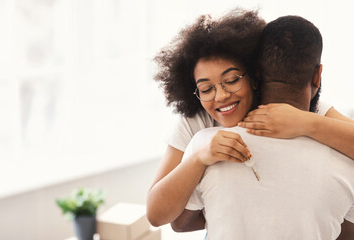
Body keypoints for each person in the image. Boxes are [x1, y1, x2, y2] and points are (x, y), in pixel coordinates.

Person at [146, 9, 354, 230]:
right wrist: (199, 158)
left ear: (255, 76)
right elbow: (166, 218)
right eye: (206, 89)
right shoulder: (197, 122)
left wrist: (304, 122)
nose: (221, 95)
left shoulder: (303, 108)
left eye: (232, 79)